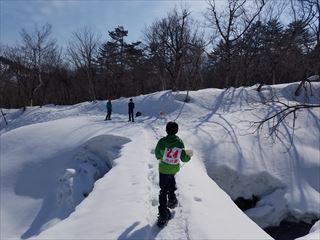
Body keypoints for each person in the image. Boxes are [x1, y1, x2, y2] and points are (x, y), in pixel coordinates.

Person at [154, 121, 192, 226]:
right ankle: (171, 199)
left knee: (163, 190)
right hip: (173, 169)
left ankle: (163, 214)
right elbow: (184, 158)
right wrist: (188, 157)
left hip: (163, 169)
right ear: (177, 131)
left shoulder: (162, 142)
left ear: (166, 130)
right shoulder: (179, 142)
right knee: (171, 181)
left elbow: (157, 154)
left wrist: (162, 157)